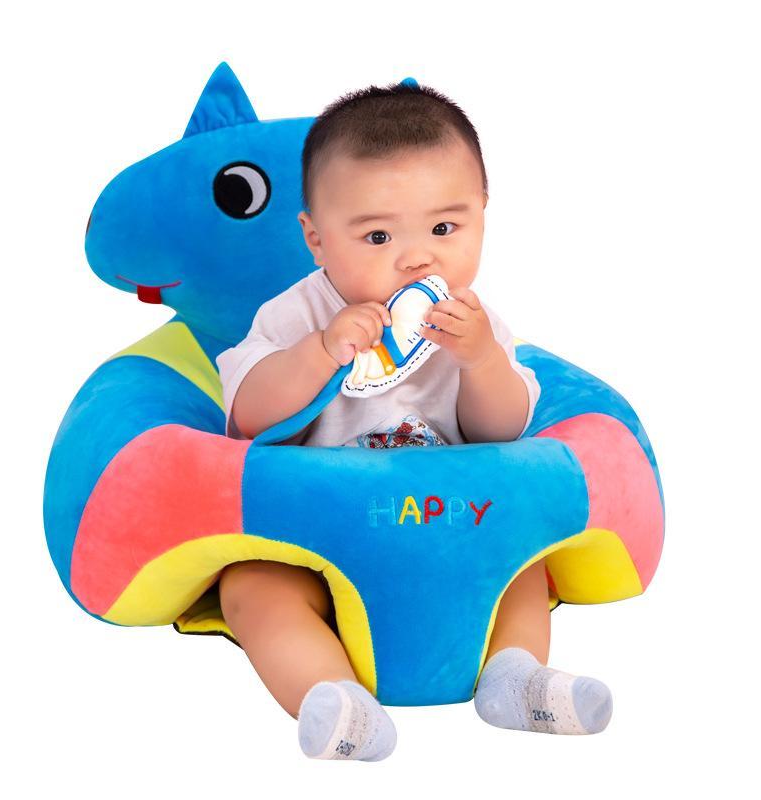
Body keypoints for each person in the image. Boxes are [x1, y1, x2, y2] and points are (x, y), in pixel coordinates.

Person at [215, 82, 612, 761]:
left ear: (482, 214)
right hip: (320, 537)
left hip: (448, 525)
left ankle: (513, 678)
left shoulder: (473, 325)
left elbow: (502, 434)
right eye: (377, 236)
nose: (417, 258)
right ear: (316, 238)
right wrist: (318, 353)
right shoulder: (294, 316)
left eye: (444, 229)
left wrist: (481, 361)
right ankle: (335, 700)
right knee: (252, 586)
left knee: (523, 566)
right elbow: (247, 417)